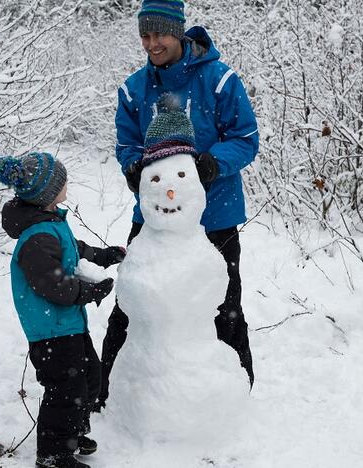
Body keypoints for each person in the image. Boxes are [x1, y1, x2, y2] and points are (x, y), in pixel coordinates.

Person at [99, 0, 259, 409]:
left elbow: (245, 138)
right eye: (145, 35)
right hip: (152, 219)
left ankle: (236, 394)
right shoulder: (134, 88)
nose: (152, 44)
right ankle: (104, 393)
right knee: (133, 302)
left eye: (160, 34)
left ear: (179, 32)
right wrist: (132, 167)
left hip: (215, 217)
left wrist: (212, 163)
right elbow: (125, 142)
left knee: (224, 306)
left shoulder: (219, 80)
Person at [0, 152, 126, 468]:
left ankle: (73, 433)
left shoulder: (51, 222)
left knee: (90, 377)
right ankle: (53, 454)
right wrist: (90, 291)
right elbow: (52, 285)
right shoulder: (37, 237)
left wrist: (102, 256)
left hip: (68, 324)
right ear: (47, 192)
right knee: (66, 387)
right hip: (50, 329)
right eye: (62, 180)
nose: (67, 182)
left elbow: (74, 248)